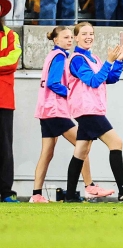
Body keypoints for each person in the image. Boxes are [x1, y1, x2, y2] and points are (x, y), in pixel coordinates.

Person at [64, 23, 123, 202]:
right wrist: (109, 61)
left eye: (91, 33)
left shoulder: (93, 58)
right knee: (116, 142)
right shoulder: (77, 59)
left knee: (81, 151)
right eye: (84, 34)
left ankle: (70, 196)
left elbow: (110, 78)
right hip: (88, 110)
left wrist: (118, 61)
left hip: (90, 109)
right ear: (76, 37)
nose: (88, 37)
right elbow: (94, 81)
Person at [32, 27, 100, 203]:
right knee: (82, 144)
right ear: (56, 40)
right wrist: (72, 94)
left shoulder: (52, 55)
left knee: (47, 153)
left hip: (45, 110)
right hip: (55, 111)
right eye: (65, 37)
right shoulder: (60, 57)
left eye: (71, 37)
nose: (70, 40)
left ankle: (36, 194)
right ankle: (89, 186)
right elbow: (53, 83)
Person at [0, 0, 19, 203]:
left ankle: (5, 191)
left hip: (3, 99)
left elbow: (12, 62)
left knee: (4, 147)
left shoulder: (11, 35)